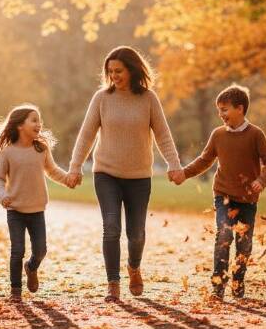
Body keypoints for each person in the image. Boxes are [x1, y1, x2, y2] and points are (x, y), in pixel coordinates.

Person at [66, 46, 184, 301]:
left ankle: (134, 267)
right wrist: (75, 168)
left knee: (137, 233)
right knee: (111, 227)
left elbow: (163, 135)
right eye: (110, 71)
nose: (114, 76)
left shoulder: (149, 99)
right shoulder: (101, 98)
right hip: (106, 173)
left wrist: (174, 165)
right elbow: (86, 136)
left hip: (139, 177)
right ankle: (113, 284)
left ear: (132, 69)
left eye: (118, 71)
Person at [179, 84, 266, 298]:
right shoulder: (218, 135)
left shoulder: (255, 135)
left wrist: (262, 180)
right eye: (219, 110)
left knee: (244, 243)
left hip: (247, 198)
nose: (220, 114)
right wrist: (184, 173)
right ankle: (218, 283)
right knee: (224, 234)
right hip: (223, 194)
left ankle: (238, 279)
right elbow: (204, 160)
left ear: (240, 109)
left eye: (224, 109)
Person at [0, 104, 69, 299]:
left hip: (36, 210)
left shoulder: (41, 149)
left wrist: (68, 179)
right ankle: (15, 290)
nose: (38, 124)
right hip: (15, 210)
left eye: (39, 120)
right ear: (19, 125)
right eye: (34, 120)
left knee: (41, 250)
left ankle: (31, 268)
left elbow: (52, 170)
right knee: (17, 250)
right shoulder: (7, 152)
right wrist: (2, 195)